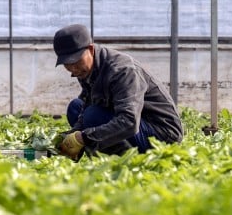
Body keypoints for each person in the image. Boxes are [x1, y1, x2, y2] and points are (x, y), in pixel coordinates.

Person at [53, 23, 184, 160]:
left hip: (162, 133)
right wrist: (69, 137)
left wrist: (85, 137)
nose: (74, 69)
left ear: (91, 49)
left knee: (92, 116)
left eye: (76, 61)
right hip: (137, 125)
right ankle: (103, 157)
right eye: (67, 64)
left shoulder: (122, 71)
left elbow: (129, 122)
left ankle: (124, 162)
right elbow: (86, 105)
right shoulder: (85, 71)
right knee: (76, 107)